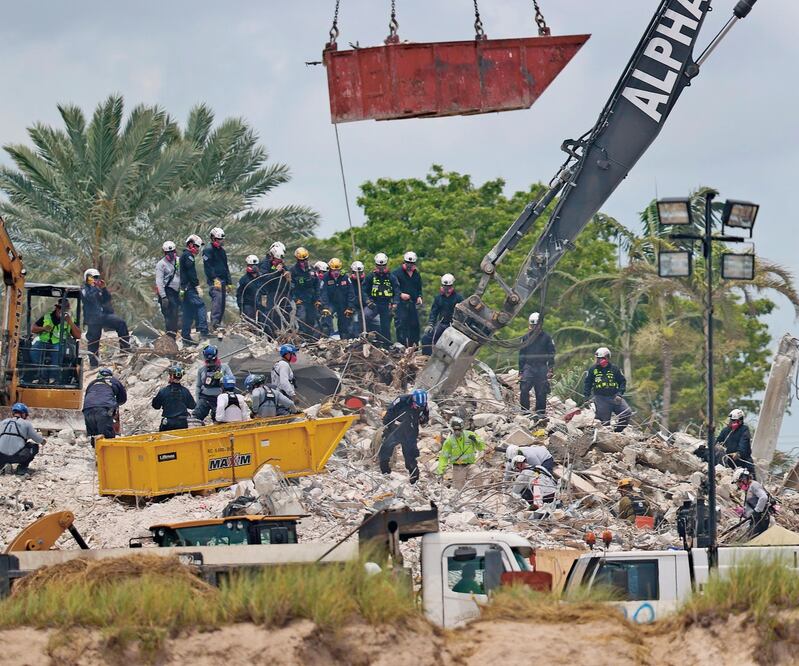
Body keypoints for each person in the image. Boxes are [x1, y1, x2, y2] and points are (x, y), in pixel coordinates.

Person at [81, 269, 130, 368]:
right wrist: (94, 287)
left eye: (96, 277)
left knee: (121, 323)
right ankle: (94, 364)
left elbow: (107, 299)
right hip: (93, 319)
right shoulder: (84, 290)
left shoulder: (98, 289)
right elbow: (90, 297)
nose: (95, 280)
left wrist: (104, 288)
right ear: (87, 278)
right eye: (92, 277)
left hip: (104, 316)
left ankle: (125, 350)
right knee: (93, 340)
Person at [379, 388, 429, 484]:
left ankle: (414, 479)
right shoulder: (402, 400)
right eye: (416, 406)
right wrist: (388, 424)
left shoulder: (424, 405)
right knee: (385, 448)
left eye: (420, 407)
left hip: (410, 431)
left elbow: (425, 419)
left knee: (411, 455)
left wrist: (423, 418)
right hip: (395, 429)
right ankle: (385, 472)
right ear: (413, 400)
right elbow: (390, 411)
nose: (417, 408)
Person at [30, 298, 81, 383]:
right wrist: (43, 328)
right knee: (34, 351)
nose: (62, 310)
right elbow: (33, 329)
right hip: (43, 341)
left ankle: (53, 378)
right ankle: (41, 376)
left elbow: (78, 335)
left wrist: (70, 322)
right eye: (60, 308)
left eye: (65, 309)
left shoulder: (70, 319)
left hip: (59, 343)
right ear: (57, 308)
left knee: (58, 351)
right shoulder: (47, 316)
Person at [583, 347, 631, 432]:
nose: (598, 360)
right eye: (597, 358)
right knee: (604, 424)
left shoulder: (614, 369)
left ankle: (618, 431)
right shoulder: (593, 369)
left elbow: (622, 382)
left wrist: (620, 394)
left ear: (607, 358)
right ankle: (605, 438)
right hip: (601, 399)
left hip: (615, 397)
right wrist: (586, 396)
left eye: (601, 358)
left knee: (626, 412)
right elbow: (588, 383)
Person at [518, 312, 556, 418]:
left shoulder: (547, 338)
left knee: (541, 391)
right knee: (524, 389)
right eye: (533, 325)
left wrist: (550, 369)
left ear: (541, 325)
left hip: (542, 367)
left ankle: (540, 414)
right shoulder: (525, 338)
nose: (535, 328)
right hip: (528, 367)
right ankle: (525, 413)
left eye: (537, 325)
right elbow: (522, 354)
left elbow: (551, 354)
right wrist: (521, 371)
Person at [436, 417, 486, 490]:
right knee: (457, 489)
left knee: (477, 474)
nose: (457, 432)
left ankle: (480, 495)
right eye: (455, 430)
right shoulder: (449, 441)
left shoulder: (470, 435)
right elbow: (444, 457)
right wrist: (440, 471)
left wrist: (476, 441)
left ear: (462, 428)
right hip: (458, 467)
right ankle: (459, 500)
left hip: (470, 465)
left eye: (459, 429)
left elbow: (481, 447)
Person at [364, 253, 400, 346]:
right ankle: (369, 338)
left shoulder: (391, 277)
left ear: (386, 265)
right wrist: (368, 301)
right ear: (376, 265)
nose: (381, 268)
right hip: (373, 304)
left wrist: (395, 303)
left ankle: (387, 345)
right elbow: (363, 291)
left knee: (385, 326)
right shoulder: (370, 277)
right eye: (379, 265)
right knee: (366, 316)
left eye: (383, 265)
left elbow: (397, 291)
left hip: (386, 304)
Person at [421, 274, 462, 354]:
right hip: (442, 324)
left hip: (453, 326)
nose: (446, 289)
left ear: (452, 286)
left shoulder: (458, 298)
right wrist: (430, 324)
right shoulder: (438, 298)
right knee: (426, 339)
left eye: (448, 287)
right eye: (445, 287)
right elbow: (434, 312)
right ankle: (427, 358)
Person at [83, 368, 127, 442]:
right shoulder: (114, 381)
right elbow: (122, 398)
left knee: (94, 436)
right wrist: (114, 405)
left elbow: (87, 397)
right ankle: (108, 453)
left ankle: (96, 452)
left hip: (87, 409)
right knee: (107, 436)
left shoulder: (92, 383)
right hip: (104, 408)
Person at [0, 403, 44, 476]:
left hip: (1, 456)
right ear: (23, 414)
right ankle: (22, 468)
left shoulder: (2, 422)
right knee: (34, 446)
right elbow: (38, 439)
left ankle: (2, 465)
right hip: (17, 457)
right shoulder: (26, 423)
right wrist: (43, 441)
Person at [180, 234, 209, 345]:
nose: (198, 249)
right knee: (200, 306)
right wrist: (196, 286)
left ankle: (186, 337)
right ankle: (203, 331)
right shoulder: (188, 256)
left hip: (185, 288)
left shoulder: (185, 255)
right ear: (191, 244)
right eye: (196, 246)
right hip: (190, 288)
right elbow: (191, 273)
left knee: (188, 313)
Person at [193, 345, 234, 423]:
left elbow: (231, 381)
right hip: (205, 398)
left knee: (220, 420)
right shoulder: (201, 370)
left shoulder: (224, 367)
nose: (210, 363)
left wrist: (222, 377)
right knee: (196, 418)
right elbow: (198, 386)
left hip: (220, 398)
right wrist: (198, 401)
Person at [259, 244, 292, 337]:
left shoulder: (281, 264)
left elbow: (287, 273)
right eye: (277, 260)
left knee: (285, 312)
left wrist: (287, 275)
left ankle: (282, 334)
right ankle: (268, 334)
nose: (279, 262)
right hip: (270, 293)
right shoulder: (265, 264)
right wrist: (276, 272)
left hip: (282, 293)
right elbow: (264, 278)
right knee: (270, 313)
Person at [202, 227, 231, 332]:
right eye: (218, 239)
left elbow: (225, 267)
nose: (220, 242)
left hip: (223, 280)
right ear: (213, 238)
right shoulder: (207, 250)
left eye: (221, 240)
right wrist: (214, 279)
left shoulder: (222, 251)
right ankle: (214, 323)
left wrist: (229, 282)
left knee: (222, 302)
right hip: (214, 281)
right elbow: (208, 267)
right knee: (217, 299)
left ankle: (218, 323)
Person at [151, 364, 196, 431]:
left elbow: (156, 406)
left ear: (171, 376)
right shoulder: (185, 391)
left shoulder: (163, 391)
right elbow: (192, 406)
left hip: (168, 423)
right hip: (182, 423)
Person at [392, 251, 423, 347]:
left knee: (414, 325)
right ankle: (401, 346)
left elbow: (419, 288)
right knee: (401, 325)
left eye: (412, 264)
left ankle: (413, 346)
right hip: (400, 304)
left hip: (412, 303)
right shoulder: (396, 273)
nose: (410, 266)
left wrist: (419, 297)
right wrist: (400, 294)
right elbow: (392, 288)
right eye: (408, 263)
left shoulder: (416, 274)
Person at [320, 258, 355, 339]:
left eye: (338, 270)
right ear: (330, 270)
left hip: (343, 304)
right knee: (326, 318)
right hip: (330, 303)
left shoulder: (345, 277)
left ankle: (344, 341)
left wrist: (350, 307)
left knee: (344, 324)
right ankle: (325, 339)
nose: (336, 272)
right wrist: (325, 307)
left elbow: (351, 293)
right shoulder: (325, 277)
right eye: (333, 270)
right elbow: (323, 292)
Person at [290, 247, 320, 339]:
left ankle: (310, 339)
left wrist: (317, 299)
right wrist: (295, 299)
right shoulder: (293, 271)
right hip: (300, 300)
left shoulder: (312, 270)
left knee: (311, 319)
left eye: (305, 260)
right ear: (297, 260)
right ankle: (302, 338)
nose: (304, 262)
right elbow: (291, 287)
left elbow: (317, 285)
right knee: (301, 318)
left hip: (311, 300)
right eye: (301, 261)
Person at [733, 467, 771, 539]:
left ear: (744, 479)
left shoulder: (754, 485)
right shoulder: (748, 488)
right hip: (755, 519)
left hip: (760, 518)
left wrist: (757, 511)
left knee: (753, 539)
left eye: (739, 482)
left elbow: (763, 497)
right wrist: (743, 511)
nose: (739, 486)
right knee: (751, 538)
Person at [717, 409, 755, 477]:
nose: (731, 422)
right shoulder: (726, 430)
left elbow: (744, 443)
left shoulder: (744, 430)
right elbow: (718, 440)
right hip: (730, 460)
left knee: (749, 479)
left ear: (740, 421)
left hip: (743, 461)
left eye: (733, 421)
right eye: (731, 420)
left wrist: (739, 453)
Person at [155, 241, 181, 339]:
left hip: (176, 292)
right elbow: (159, 282)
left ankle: (174, 334)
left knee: (176, 314)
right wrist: (163, 297)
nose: (171, 254)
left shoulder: (179, 261)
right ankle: (170, 336)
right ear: (164, 253)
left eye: (172, 252)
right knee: (169, 315)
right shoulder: (161, 264)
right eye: (168, 253)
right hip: (167, 292)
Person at [236, 255, 263, 325]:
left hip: (258, 306)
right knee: (249, 324)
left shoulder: (261, 278)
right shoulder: (243, 280)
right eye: (252, 265)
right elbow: (239, 294)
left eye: (256, 265)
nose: (254, 267)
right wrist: (241, 307)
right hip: (247, 306)